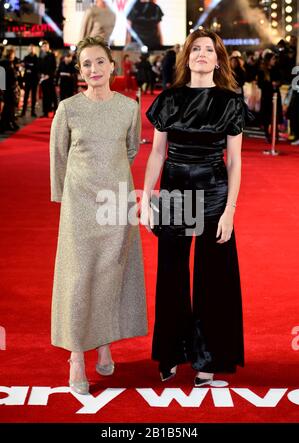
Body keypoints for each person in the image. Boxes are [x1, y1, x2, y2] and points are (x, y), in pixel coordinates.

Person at [141, 29, 252, 386]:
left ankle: (208, 358)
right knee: (171, 274)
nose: (202, 54)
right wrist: (146, 196)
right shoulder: (169, 99)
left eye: (209, 50)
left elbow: (235, 161)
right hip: (174, 193)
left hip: (215, 193)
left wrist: (230, 210)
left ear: (218, 60)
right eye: (196, 49)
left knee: (213, 278)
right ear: (186, 56)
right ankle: (171, 354)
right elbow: (157, 152)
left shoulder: (231, 102)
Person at [50, 36, 147, 395]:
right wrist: (65, 197)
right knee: (79, 277)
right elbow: (59, 157)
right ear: (80, 71)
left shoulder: (128, 108)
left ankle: (104, 342)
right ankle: (76, 355)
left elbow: (132, 148)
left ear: (112, 66)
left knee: (111, 274)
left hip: (116, 202)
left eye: (99, 62)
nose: (94, 69)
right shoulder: (68, 108)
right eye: (86, 64)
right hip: (79, 204)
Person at [38, 40, 57, 118]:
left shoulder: (52, 55)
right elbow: (38, 67)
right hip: (43, 78)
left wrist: (49, 75)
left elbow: (53, 67)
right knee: (45, 96)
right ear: (42, 48)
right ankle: (45, 112)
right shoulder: (40, 56)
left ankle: (56, 111)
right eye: (43, 46)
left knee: (53, 95)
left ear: (48, 46)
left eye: (46, 46)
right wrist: (41, 75)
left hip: (50, 78)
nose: (44, 47)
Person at [21, 44, 39, 117]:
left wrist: (29, 66)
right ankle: (23, 111)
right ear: (28, 49)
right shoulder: (26, 57)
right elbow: (24, 66)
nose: (31, 49)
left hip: (34, 79)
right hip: (27, 79)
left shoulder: (37, 58)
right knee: (26, 96)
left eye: (32, 48)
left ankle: (33, 111)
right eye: (30, 48)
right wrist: (30, 66)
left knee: (34, 96)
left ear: (34, 49)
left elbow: (36, 68)